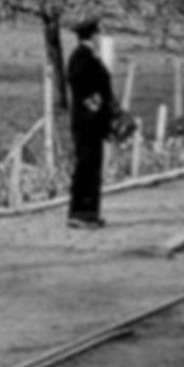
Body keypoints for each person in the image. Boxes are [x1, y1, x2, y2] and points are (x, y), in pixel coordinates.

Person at [66, 16, 117, 229]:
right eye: (98, 34)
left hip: (93, 122)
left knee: (92, 166)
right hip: (87, 122)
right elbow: (80, 85)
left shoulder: (88, 56)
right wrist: (95, 103)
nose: (100, 37)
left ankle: (90, 212)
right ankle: (80, 213)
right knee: (86, 166)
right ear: (92, 35)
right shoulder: (81, 57)